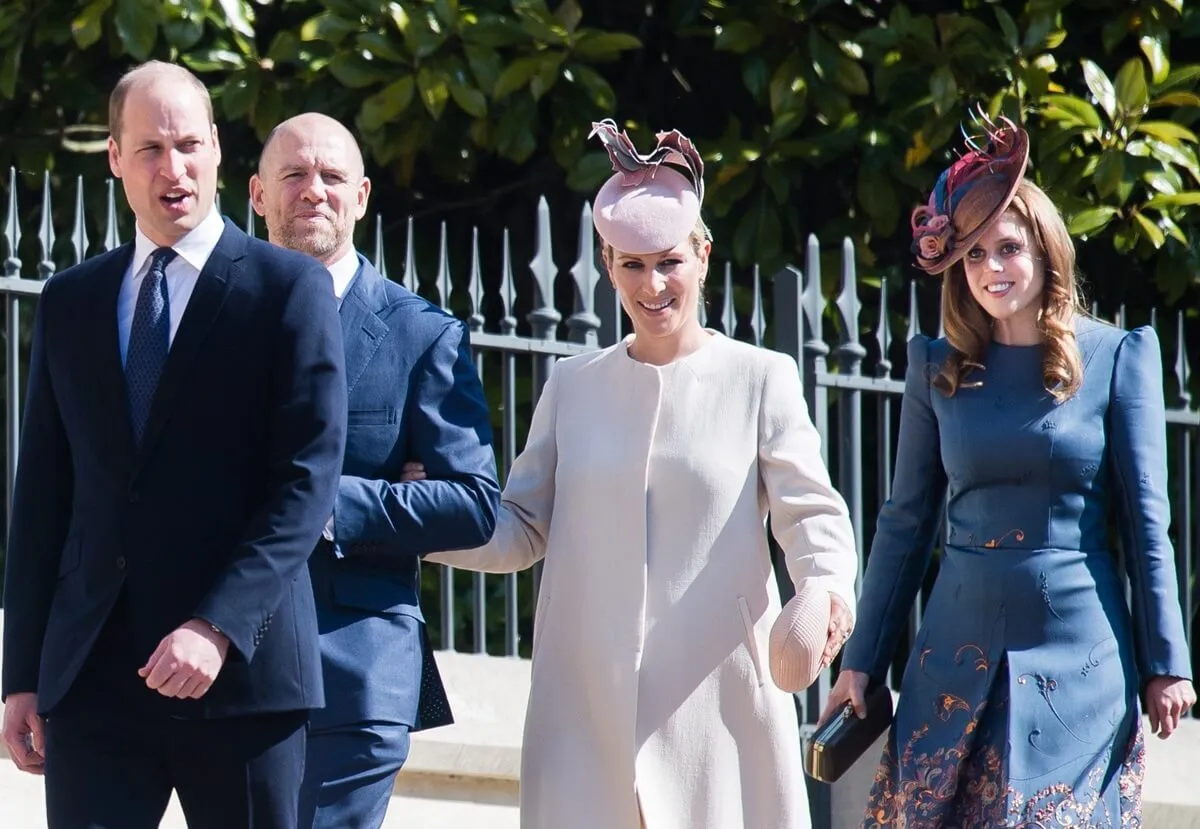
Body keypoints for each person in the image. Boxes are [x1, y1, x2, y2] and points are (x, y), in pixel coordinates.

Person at [407, 119, 859, 829]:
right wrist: (416, 515)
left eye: (669, 261)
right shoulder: (572, 384)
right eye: (631, 264)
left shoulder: (761, 378)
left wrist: (826, 591)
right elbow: (521, 528)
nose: (653, 283)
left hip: (718, 708)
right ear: (607, 265)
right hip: (585, 704)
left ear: (704, 254)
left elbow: (814, 518)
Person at [0, 62, 347, 828]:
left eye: (189, 144)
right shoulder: (70, 301)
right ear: (115, 159)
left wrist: (216, 625)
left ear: (219, 150)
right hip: (94, 681)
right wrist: (19, 675)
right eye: (151, 148)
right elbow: (45, 498)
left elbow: (305, 482)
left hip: (242, 682)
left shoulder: (287, 290)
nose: (174, 168)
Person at [825, 114, 1196, 826]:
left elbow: (1149, 521)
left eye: (1008, 248)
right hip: (950, 666)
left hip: (1083, 665)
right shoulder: (935, 367)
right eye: (973, 256)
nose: (992, 269)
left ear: (1045, 250)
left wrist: (1167, 659)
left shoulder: (1120, 358)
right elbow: (905, 523)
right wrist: (860, 661)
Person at [249, 112, 500, 829]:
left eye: (331, 176)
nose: (313, 190)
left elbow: (474, 504)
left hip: (354, 672)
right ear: (258, 193)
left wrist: (321, 503)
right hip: (224, 668)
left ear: (361, 196)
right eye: (294, 174)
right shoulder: (214, 317)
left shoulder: (423, 334)